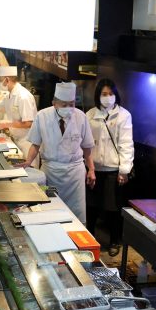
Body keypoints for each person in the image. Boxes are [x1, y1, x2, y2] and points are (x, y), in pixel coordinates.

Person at [22, 82, 95, 223]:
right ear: (54, 103)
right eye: (64, 105)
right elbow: (35, 144)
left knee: (76, 217)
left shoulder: (81, 117)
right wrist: (28, 162)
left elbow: (87, 147)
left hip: (75, 174)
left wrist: (91, 169)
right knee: (50, 213)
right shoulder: (42, 116)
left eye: (71, 104)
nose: (68, 108)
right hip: (51, 171)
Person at [85, 79, 133, 255]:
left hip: (113, 170)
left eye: (111, 94)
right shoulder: (89, 115)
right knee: (91, 207)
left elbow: (126, 144)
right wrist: (88, 166)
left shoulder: (123, 115)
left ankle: (114, 241)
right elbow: (86, 144)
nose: (108, 97)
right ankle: (89, 239)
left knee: (113, 208)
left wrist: (124, 170)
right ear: (98, 95)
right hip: (93, 168)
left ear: (116, 95)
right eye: (104, 94)